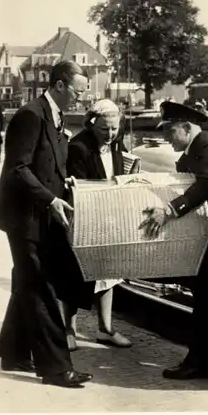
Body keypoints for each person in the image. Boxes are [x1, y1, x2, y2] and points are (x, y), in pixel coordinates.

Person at [0, 60, 93, 388]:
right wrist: (50, 199)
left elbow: (47, 165)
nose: (82, 98)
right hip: (24, 218)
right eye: (78, 91)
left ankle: (13, 351)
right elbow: (18, 168)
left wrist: (66, 183)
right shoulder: (30, 115)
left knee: (27, 281)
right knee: (40, 285)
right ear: (60, 85)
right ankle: (56, 369)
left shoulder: (57, 116)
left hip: (41, 215)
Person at [139, 100, 208, 379]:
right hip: (202, 235)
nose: (165, 138)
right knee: (204, 298)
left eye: (169, 131)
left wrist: (170, 210)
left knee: (205, 299)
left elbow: (207, 185)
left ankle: (199, 361)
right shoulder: (193, 149)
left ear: (186, 127)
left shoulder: (206, 146)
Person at [62, 99, 132, 351]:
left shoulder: (115, 141)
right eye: (105, 129)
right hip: (85, 216)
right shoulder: (78, 147)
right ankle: (69, 329)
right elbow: (82, 189)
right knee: (76, 273)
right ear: (92, 124)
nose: (111, 134)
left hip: (109, 213)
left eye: (114, 128)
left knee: (109, 272)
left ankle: (105, 329)